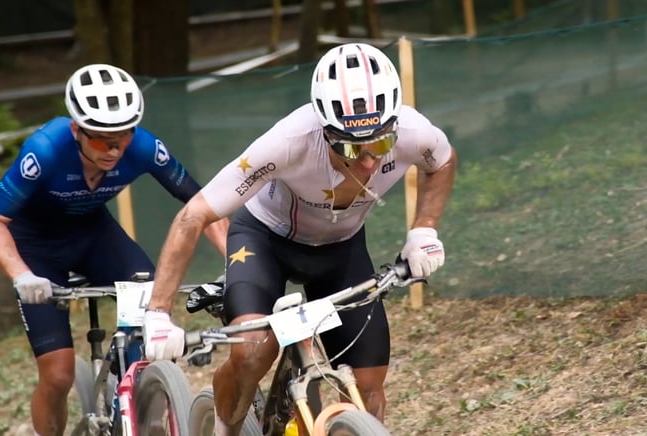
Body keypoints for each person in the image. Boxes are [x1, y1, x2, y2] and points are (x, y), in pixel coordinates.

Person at [143, 42, 457, 434]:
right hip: (265, 242)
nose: (368, 161)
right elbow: (194, 216)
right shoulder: (288, 142)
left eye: (379, 143)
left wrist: (424, 227)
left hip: (340, 250)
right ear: (324, 131)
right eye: (349, 146)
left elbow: (442, 162)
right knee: (253, 351)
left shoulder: (412, 130)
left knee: (369, 384)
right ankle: (224, 426)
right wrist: (157, 312)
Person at [0, 63, 229, 436]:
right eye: (99, 139)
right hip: (36, 247)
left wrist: (233, 259)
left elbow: (203, 204)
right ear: (76, 130)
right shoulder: (45, 151)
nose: (113, 149)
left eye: (122, 136)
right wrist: (21, 275)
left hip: (94, 234)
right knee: (58, 376)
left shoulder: (143, 147)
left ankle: (133, 403)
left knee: (150, 307)